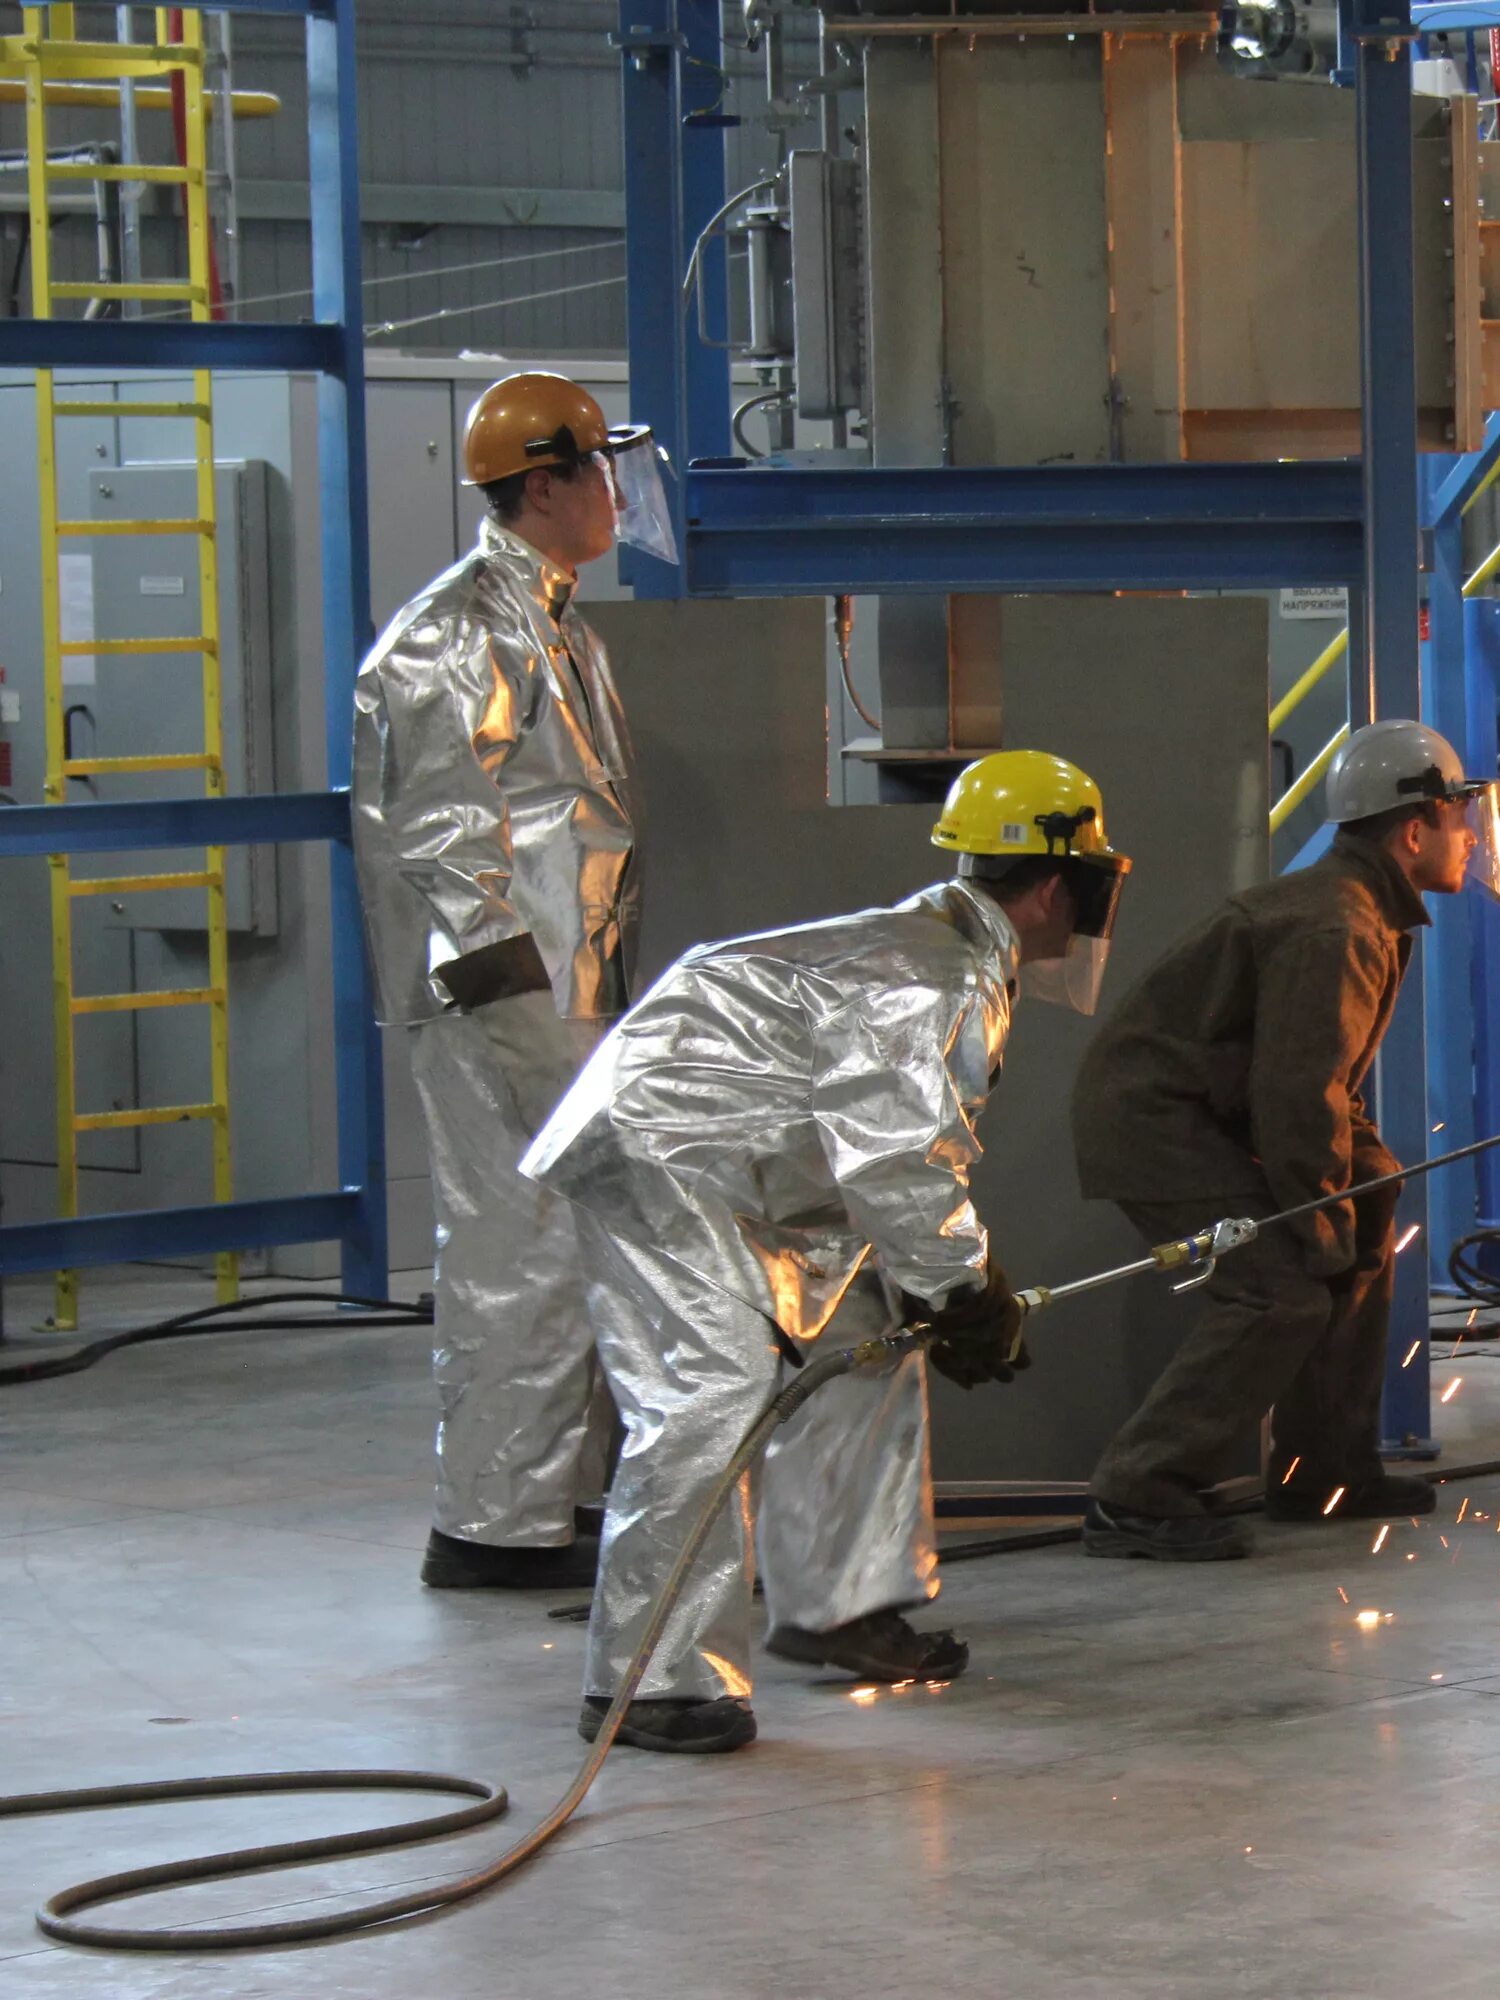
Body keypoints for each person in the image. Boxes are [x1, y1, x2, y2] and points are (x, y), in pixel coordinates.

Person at [521, 752, 1130, 1754]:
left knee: (877, 1343)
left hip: (752, 1167)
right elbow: (899, 1150)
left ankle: (838, 1604)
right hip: (666, 1154)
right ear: (1060, 886)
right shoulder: (930, 972)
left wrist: (940, 1295)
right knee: (707, 1398)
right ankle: (653, 1680)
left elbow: (883, 1149)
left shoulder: (940, 946)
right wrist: (969, 1290)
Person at [350, 371, 680, 1589]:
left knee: (568, 1242)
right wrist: (524, 1019)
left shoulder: (550, 617)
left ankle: (550, 1502)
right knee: (518, 1246)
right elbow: (444, 848)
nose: (616, 494)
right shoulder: (453, 635)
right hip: (504, 995)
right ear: (544, 484)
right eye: (600, 470)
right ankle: (491, 1525)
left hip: (564, 982)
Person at [1072, 720, 1500, 1561]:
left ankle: (1325, 1470)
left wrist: (1360, 1190)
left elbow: (1318, 1084)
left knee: (1364, 1223)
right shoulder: (1337, 926)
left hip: (1207, 1111)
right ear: (1412, 830)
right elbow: (1295, 1093)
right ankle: (1137, 1490)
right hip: (1154, 1121)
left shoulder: (1361, 906)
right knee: (1284, 1291)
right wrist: (1319, 1223)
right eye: (1458, 816)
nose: (1470, 836)